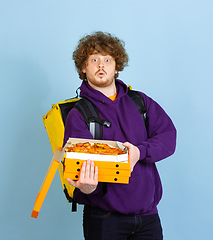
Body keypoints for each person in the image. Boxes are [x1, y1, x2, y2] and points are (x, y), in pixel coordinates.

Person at [63, 31, 177, 240]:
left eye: (107, 59)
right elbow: (78, 167)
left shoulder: (140, 102)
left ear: (116, 67)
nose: (101, 65)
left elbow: (168, 137)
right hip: (104, 219)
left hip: (148, 217)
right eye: (94, 59)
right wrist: (88, 188)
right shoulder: (78, 115)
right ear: (83, 67)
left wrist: (139, 152)